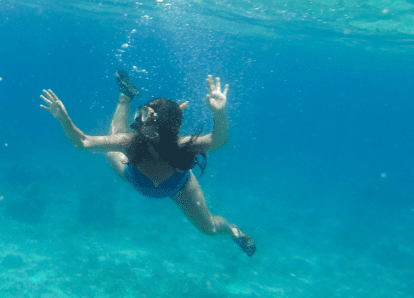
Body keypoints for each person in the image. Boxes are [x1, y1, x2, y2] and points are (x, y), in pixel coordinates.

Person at [40, 71, 255, 256]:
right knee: (114, 142)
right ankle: (125, 96)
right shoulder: (131, 141)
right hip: (136, 177)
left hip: (180, 187)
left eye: (147, 116)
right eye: (142, 114)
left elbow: (219, 140)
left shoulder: (182, 146)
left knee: (210, 228)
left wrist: (219, 113)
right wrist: (63, 119)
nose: (140, 121)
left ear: (164, 126)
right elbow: (83, 142)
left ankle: (234, 232)